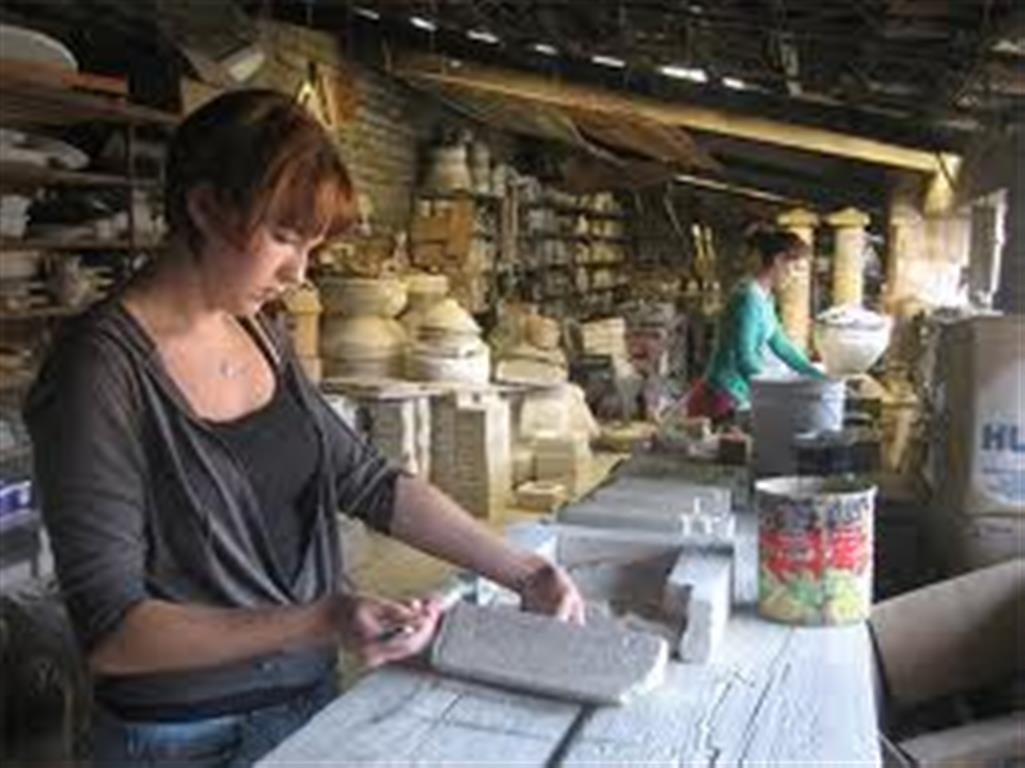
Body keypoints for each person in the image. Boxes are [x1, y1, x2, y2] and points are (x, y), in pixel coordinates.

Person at [25, 89, 585, 768]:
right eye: (284, 239)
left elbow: (368, 480)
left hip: (306, 703)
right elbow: (115, 634)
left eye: (311, 245)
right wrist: (323, 617)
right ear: (204, 208)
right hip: (181, 739)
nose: (298, 273)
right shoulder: (97, 372)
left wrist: (526, 571)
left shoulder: (260, 333)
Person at [687, 226, 824, 422]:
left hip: (736, 394)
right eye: (795, 268)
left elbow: (781, 345)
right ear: (778, 260)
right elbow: (745, 359)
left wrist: (817, 376)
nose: (795, 277)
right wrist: (781, 391)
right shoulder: (747, 298)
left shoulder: (765, 297)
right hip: (720, 398)